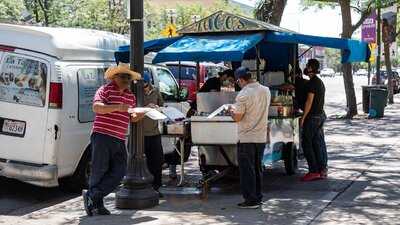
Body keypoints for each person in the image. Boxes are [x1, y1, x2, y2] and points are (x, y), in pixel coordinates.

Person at [82, 63, 144, 216]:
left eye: (128, 77)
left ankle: (93, 195)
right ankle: (97, 204)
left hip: (119, 137)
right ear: (114, 77)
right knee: (99, 171)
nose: (126, 80)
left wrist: (146, 111)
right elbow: (97, 108)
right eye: (123, 76)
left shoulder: (130, 96)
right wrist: (117, 107)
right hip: (102, 135)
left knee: (120, 172)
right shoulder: (105, 90)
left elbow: (133, 118)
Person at [228, 67, 271, 209]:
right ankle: (258, 197)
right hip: (260, 137)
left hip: (246, 137)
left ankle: (250, 200)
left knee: (247, 170)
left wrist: (231, 112)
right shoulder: (266, 90)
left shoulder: (243, 94)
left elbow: (238, 117)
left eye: (238, 81)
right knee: (257, 168)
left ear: (241, 80)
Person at [300, 59, 328, 182]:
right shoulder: (319, 82)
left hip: (313, 117)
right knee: (317, 143)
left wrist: (303, 117)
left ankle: (313, 171)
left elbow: (309, 102)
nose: (306, 68)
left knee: (307, 143)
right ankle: (322, 169)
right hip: (320, 115)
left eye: (307, 66)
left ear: (310, 68)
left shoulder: (313, 83)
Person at [142, 71, 165, 196]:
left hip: (154, 133)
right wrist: (146, 107)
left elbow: (162, 106)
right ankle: (144, 186)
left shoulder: (156, 91)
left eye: (145, 84)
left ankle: (156, 186)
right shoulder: (136, 92)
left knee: (157, 161)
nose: (144, 87)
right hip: (140, 135)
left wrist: (156, 107)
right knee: (141, 163)